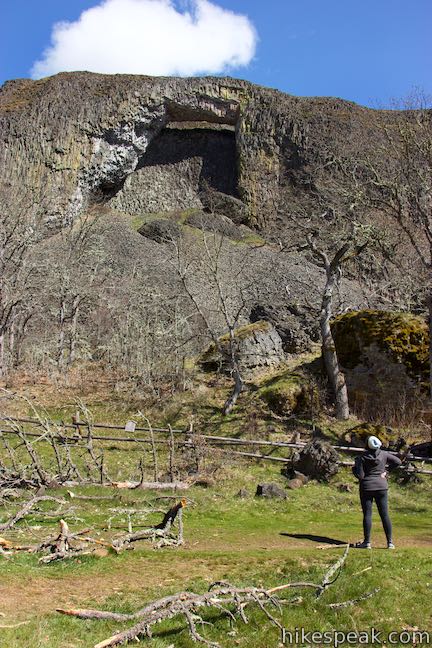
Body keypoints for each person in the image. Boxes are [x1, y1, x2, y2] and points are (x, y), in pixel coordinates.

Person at [352, 435, 402, 549]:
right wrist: (386, 471)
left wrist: (354, 469)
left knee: (368, 514)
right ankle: (390, 542)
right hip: (381, 487)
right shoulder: (384, 454)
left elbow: (360, 475)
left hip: (366, 488)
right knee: (385, 515)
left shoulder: (362, 457)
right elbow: (398, 461)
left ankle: (367, 542)